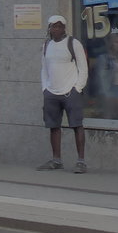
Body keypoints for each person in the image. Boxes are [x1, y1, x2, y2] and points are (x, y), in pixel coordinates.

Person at [38, 14, 89, 172]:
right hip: (52, 92)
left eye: (60, 26)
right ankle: (56, 160)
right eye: (54, 26)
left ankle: (81, 161)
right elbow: (44, 69)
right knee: (53, 126)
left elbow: (83, 68)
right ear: (49, 28)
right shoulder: (47, 45)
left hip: (70, 91)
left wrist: (77, 88)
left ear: (64, 28)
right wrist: (45, 88)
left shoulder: (73, 43)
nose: (57, 29)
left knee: (77, 125)